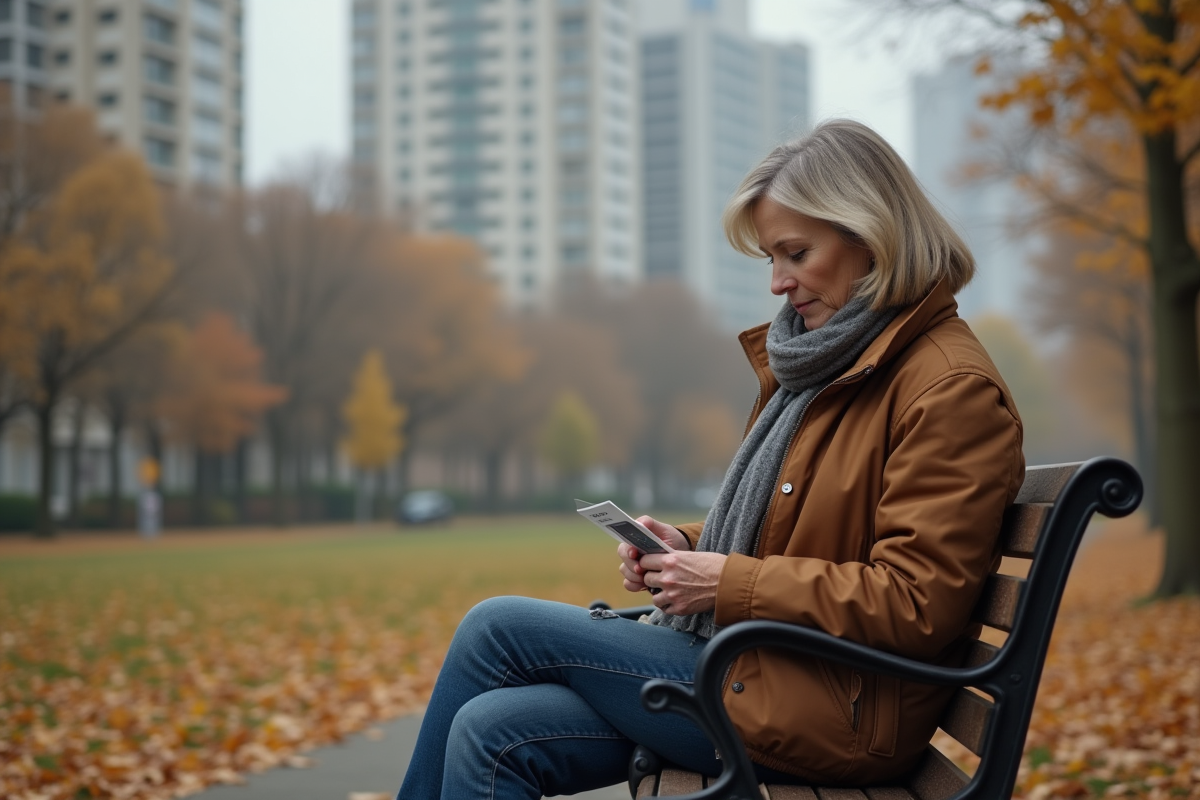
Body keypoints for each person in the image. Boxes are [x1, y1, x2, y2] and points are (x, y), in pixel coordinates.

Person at [395, 119, 1024, 799]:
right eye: (770, 260)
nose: (779, 283)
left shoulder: (946, 387)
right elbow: (797, 531)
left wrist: (726, 583)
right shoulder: (834, 363)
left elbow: (914, 602)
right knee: (491, 730)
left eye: (796, 253)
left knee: (496, 627)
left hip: (834, 715)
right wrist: (687, 548)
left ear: (871, 234)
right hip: (763, 669)